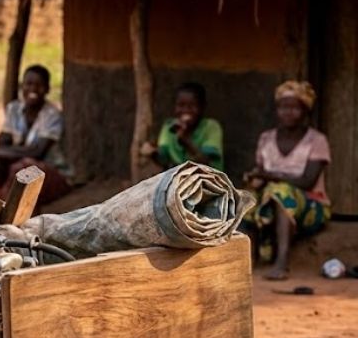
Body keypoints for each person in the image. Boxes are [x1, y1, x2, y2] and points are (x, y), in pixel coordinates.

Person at [241, 80, 332, 280]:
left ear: (305, 111)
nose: (287, 113)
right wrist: (255, 178)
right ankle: (246, 261)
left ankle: (281, 262)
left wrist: (270, 177)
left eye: (294, 108)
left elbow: (307, 181)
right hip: (270, 201)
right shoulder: (266, 138)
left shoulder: (317, 141)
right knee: (244, 199)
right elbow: (261, 174)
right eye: (283, 107)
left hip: (310, 207)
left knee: (280, 191)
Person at [0, 64, 71, 205]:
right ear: (21, 86)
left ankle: (6, 210)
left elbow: (37, 152)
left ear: (47, 89)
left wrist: (7, 153)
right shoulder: (14, 109)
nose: (33, 89)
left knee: (23, 168)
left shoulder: (52, 115)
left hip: (51, 173)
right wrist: (2, 154)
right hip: (20, 162)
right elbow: (2, 145)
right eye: (28, 84)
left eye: (39, 85)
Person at [142, 82, 224, 170]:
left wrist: (185, 141)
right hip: (179, 180)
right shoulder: (169, 127)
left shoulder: (211, 127)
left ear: (202, 107)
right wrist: (153, 153)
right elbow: (164, 160)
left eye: (192, 106)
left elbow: (205, 164)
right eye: (181, 105)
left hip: (207, 180)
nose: (186, 110)